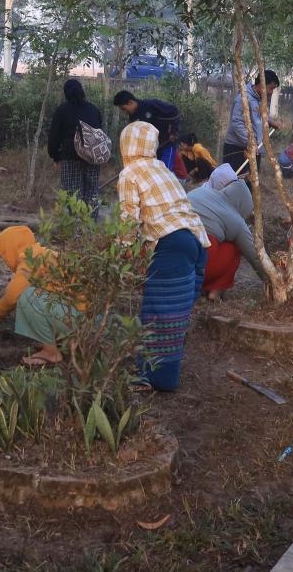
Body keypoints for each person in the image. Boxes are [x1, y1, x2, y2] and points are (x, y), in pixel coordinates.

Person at [117, 121, 210, 391]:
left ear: (126, 145)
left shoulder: (130, 173)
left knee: (160, 314)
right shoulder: (161, 168)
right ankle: (160, 371)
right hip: (196, 241)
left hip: (170, 244)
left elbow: (128, 221)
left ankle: (154, 379)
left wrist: (121, 258)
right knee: (176, 314)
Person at [0, 227, 74, 367]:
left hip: (81, 320)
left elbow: (11, 297)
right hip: (87, 317)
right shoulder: (42, 253)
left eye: (3, 253)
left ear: (10, 249)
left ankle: (51, 354)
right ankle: (58, 340)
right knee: (38, 294)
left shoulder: (30, 259)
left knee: (27, 297)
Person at [189, 167, 267, 300]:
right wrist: (273, 280)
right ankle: (215, 291)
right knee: (235, 245)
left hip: (172, 256)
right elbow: (254, 255)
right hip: (199, 263)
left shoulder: (200, 192)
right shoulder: (236, 220)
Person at [46, 79, 103, 207]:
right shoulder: (93, 109)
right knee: (92, 193)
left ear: (66, 93)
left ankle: (74, 219)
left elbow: (54, 136)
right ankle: (91, 219)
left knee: (72, 193)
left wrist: (55, 156)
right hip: (93, 156)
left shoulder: (62, 110)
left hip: (70, 156)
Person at [113, 90, 186, 177]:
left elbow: (174, 111)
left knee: (165, 171)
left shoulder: (151, 105)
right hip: (152, 150)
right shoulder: (133, 116)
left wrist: (173, 131)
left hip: (166, 144)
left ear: (130, 102)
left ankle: (175, 182)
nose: (124, 112)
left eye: (123, 109)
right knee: (154, 174)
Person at [221, 70, 280, 175]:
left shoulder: (260, 99)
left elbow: (260, 114)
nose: (271, 92)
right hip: (238, 149)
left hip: (254, 148)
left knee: (252, 181)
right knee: (235, 182)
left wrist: (270, 122)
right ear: (261, 84)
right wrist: (250, 142)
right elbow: (237, 123)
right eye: (270, 88)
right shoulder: (243, 98)